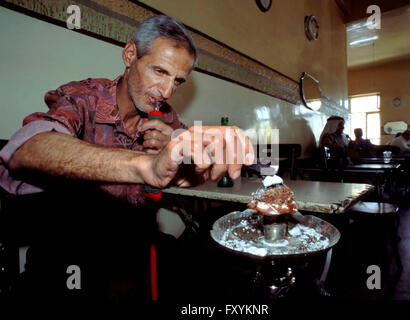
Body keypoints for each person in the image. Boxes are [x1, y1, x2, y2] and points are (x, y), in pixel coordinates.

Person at [0, 15, 254, 299]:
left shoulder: (166, 117)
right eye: (159, 71)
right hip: (69, 251)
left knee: (209, 271)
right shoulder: (84, 98)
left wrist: (189, 151)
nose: (167, 91)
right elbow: (28, 147)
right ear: (130, 55)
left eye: (178, 81)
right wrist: (147, 166)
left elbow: (196, 170)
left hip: (133, 247)